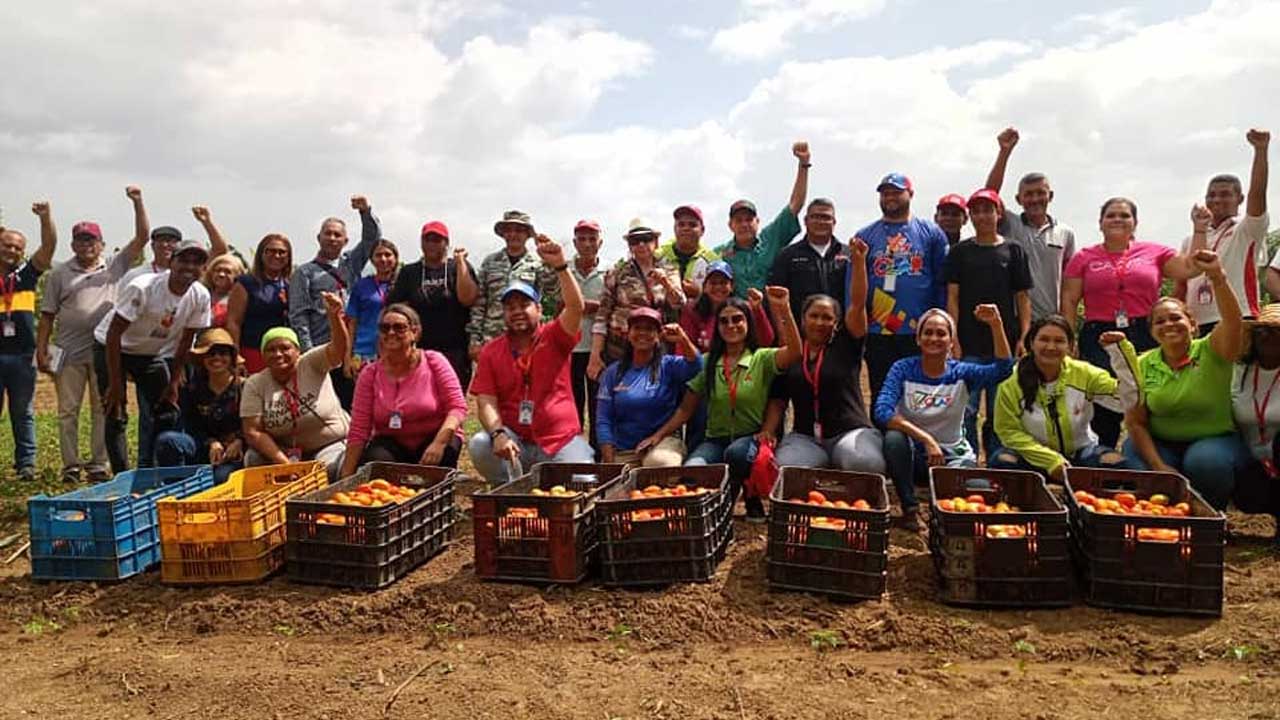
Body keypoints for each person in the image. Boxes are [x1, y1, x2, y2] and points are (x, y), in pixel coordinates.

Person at [639, 286, 802, 521]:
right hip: (715, 439)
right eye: (724, 321)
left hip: (750, 438)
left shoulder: (762, 358)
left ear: (748, 324)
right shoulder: (707, 362)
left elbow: (795, 352)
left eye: (738, 319)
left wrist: (784, 308)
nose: (731, 325)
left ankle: (738, 502)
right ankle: (719, 506)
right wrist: (659, 435)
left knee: (737, 454)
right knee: (693, 469)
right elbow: (686, 408)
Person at [1061, 200, 1211, 448]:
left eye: (1124, 215)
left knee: (1147, 395)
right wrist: (1069, 339)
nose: (1117, 219)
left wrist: (1200, 229)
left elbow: (1190, 268)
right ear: (1100, 223)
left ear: (1135, 223)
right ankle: (1105, 456)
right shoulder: (1083, 257)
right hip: (1100, 334)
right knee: (1103, 400)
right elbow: (1069, 299)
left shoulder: (1155, 252)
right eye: (1110, 215)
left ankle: (1148, 455)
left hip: (1145, 332)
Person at [37, 187, 149, 484]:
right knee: (67, 411)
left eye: (91, 239)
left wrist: (137, 202)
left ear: (101, 244)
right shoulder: (59, 274)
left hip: (102, 351)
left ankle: (99, 464)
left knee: (103, 409)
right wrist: (41, 349)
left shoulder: (114, 267)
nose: (86, 244)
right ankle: (71, 466)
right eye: (80, 239)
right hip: (67, 351)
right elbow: (47, 315)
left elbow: (142, 239)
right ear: (73, 243)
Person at [1124, 250, 1249, 511]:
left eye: (1176, 318)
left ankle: (1210, 515)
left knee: (1204, 462)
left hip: (1214, 441)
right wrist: (1159, 466)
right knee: (1134, 458)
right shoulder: (1141, 363)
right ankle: (1164, 516)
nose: (1169, 324)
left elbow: (1233, 323)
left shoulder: (1213, 350)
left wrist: (1217, 277)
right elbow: (1135, 423)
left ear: (1192, 324)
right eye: (1160, 321)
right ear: (1152, 332)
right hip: (1161, 443)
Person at [873, 307, 1013, 530]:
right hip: (914, 458)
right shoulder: (903, 369)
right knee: (894, 438)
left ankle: (944, 518)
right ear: (918, 339)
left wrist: (996, 325)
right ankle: (910, 509)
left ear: (951, 341)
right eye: (927, 333)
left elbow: (1003, 370)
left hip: (951, 456)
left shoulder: (961, 373)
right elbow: (882, 411)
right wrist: (926, 440)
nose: (934, 338)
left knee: (977, 490)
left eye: (941, 333)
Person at [468, 235, 593, 484]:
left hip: (558, 440)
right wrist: (498, 433)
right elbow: (486, 401)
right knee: (481, 444)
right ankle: (514, 489)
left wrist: (560, 266)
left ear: (538, 308)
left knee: (583, 481)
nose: (517, 311)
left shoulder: (555, 335)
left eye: (524, 304)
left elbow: (576, 307)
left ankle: (544, 484)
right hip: (516, 442)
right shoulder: (492, 351)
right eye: (510, 307)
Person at [762, 239, 885, 473]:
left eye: (827, 317)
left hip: (849, 434)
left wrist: (858, 263)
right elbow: (778, 399)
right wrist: (768, 430)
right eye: (814, 316)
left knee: (866, 464)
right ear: (803, 320)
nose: (820, 322)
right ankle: (822, 463)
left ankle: (840, 462)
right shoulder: (793, 351)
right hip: (806, 438)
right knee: (786, 469)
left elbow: (857, 304)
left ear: (836, 323)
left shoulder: (847, 345)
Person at [93, 237, 212, 472]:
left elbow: (186, 340)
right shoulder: (144, 287)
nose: (189, 267)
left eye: (196, 262)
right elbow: (114, 333)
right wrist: (116, 384)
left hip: (148, 353)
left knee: (167, 409)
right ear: (172, 261)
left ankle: (155, 469)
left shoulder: (200, 296)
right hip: (112, 346)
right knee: (115, 410)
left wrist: (175, 380)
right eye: (183, 260)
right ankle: (122, 475)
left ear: (203, 268)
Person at [990, 315, 1142, 480]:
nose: (1051, 346)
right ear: (1031, 343)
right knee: (1002, 462)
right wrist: (1051, 461)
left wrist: (1120, 352)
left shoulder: (1084, 373)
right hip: (1031, 457)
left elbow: (1129, 400)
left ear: (1071, 346)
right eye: (1044, 339)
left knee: (1116, 464)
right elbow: (1008, 431)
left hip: (1080, 455)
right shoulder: (1012, 383)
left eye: (1059, 341)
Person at [945, 188, 1032, 457]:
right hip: (968, 346)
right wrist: (954, 339)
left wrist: (1024, 336)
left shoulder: (1014, 250)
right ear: (970, 216)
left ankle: (997, 461)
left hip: (1003, 346)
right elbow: (953, 298)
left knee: (999, 412)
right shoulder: (960, 252)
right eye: (977, 211)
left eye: (988, 210)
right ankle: (966, 459)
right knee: (966, 410)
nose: (982, 216)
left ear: (999, 214)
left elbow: (1023, 298)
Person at [340, 304, 467, 475]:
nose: (391, 333)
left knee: (443, 456)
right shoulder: (369, 374)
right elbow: (359, 430)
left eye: (399, 328)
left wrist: (439, 443)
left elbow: (457, 408)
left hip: (435, 438)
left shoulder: (434, 361)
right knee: (376, 462)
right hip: (392, 442)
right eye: (385, 328)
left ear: (415, 332)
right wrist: (345, 476)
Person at [858, 172, 950, 400]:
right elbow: (855, 286)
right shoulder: (865, 236)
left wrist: (942, 322)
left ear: (910, 194)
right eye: (885, 193)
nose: (890, 197)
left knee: (921, 392)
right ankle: (885, 435)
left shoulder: (932, 234)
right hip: (879, 329)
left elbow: (942, 283)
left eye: (896, 192)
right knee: (883, 392)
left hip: (919, 331)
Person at [241, 293, 350, 481]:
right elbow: (253, 431)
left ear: (297, 351)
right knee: (253, 458)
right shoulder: (255, 383)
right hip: (286, 452)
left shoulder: (310, 363)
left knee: (326, 472)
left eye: (285, 348)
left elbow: (338, 350)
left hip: (328, 444)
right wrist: (284, 464)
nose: (278, 354)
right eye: (270, 349)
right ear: (263, 355)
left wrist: (334, 316)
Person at [288, 195, 381, 409]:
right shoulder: (304, 273)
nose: (332, 238)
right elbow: (298, 316)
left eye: (337, 235)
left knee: (356, 404)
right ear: (318, 238)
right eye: (327, 234)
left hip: (353, 349)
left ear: (345, 241)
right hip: (323, 347)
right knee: (325, 405)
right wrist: (309, 353)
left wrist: (365, 212)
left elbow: (372, 240)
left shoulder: (352, 264)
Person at [1182, 129, 1269, 332]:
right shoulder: (1193, 238)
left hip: (1239, 314)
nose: (1216, 200)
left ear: (1240, 199)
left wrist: (1261, 151)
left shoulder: (1246, 230)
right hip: (1198, 322)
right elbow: (1182, 282)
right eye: (1211, 195)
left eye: (1225, 194)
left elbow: (1258, 194)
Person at [985, 127, 1076, 320]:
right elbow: (989, 196)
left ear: (1050, 196)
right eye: (1028, 194)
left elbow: (1068, 286)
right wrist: (1004, 152)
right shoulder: (1010, 224)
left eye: (1040, 193)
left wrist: (1067, 325)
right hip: (1014, 319)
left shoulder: (1065, 233)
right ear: (1019, 199)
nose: (1035, 199)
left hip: (1050, 321)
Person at [596, 308, 701, 467]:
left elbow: (697, 365)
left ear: (658, 336)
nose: (643, 333)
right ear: (628, 333)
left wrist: (683, 339)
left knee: (659, 463)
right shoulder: (612, 373)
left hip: (663, 443)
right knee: (614, 486)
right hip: (624, 449)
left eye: (650, 329)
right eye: (637, 328)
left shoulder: (669, 365)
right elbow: (603, 419)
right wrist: (609, 463)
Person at [0, 200, 58, 480]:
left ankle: (26, 465)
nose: (11, 250)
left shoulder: (25, 275)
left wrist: (45, 218)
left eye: (17, 247)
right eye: (6, 245)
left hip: (23, 356)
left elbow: (48, 249)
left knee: (23, 413)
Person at [587, 219, 685, 380]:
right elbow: (602, 315)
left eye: (646, 239)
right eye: (634, 241)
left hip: (656, 346)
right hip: (620, 348)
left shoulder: (669, 269)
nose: (640, 245)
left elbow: (679, 302)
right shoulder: (617, 273)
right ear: (629, 246)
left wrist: (665, 283)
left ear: (656, 242)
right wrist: (595, 355)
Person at [385, 221, 477, 389]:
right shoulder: (410, 272)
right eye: (427, 239)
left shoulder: (457, 268)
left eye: (437, 240)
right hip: (419, 350)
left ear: (446, 243)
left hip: (455, 351)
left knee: (453, 402)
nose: (432, 244)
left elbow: (468, 299)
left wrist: (461, 262)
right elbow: (393, 307)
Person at [715, 142, 810, 298]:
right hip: (738, 319)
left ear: (757, 221)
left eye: (749, 219)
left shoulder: (771, 238)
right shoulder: (719, 254)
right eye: (738, 220)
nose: (744, 224)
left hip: (770, 316)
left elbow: (795, 205)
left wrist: (803, 164)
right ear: (730, 225)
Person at [153, 328, 245, 484]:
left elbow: (255, 424)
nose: (216, 358)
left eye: (222, 353)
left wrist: (240, 441)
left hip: (236, 451)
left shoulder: (245, 387)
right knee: (167, 440)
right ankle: (176, 490)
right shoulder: (193, 389)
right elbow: (191, 424)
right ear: (202, 358)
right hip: (204, 447)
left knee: (220, 479)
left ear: (231, 358)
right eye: (210, 354)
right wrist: (211, 443)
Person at [468, 209, 561, 357]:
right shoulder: (490, 262)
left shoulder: (538, 263)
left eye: (519, 230)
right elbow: (480, 302)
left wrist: (550, 261)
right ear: (503, 234)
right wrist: (475, 340)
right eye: (509, 230)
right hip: (492, 337)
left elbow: (553, 291)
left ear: (527, 235)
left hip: (526, 337)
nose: (513, 235)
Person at [1230, 303, 1280, 544]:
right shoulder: (1239, 372)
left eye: (1276, 331)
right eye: (1261, 330)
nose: (1267, 336)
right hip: (1250, 462)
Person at [767, 197, 850, 327]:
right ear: (806, 221)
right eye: (815, 217)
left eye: (826, 217)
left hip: (841, 334)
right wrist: (784, 334)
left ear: (834, 222)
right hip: (800, 334)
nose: (820, 221)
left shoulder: (850, 255)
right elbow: (774, 300)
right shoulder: (787, 255)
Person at [226, 234, 292, 373]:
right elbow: (233, 322)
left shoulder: (291, 285)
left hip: (282, 355)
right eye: (271, 251)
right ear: (261, 254)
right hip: (251, 351)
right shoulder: (246, 283)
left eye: (281, 252)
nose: (277, 255)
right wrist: (236, 356)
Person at [567, 220, 606, 452]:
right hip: (570, 348)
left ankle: (598, 453)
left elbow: (610, 306)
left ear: (600, 242)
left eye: (592, 239)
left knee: (597, 403)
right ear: (575, 243)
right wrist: (579, 306)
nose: (587, 244)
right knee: (572, 404)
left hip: (596, 349)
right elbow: (560, 302)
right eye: (582, 239)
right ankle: (574, 451)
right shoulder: (564, 271)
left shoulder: (610, 271)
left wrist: (585, 305)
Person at [120, 205, 229, 287]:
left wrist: (207, 222)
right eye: (161, 241)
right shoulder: (136, 275)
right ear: (152, 246)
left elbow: (220, 250)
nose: (165, 245)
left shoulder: (191, 270)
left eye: (171, 241)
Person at [679, 260, 774, 353]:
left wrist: (758, 310)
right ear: (704, 287)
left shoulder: (745, 308)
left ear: (732, 286)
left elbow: (766, 341)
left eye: (723, 282)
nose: (718, 287)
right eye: (713, 283)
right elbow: (683, 349)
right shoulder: (693, 311)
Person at [345, 239, 399, 372]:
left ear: (396, 258)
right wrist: (347, 357)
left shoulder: (403, 284)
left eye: (388, 254)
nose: (383, 259)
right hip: (364, 352)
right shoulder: (362, 286)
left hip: (396, 351)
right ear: (372, 259)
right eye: (378, 255)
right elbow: (352, 324)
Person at [657, 205, 718, 301]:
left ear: (702, 230)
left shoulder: (712, 261)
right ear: (674, 228)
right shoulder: (657, 256)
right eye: (681, 224)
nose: (686, 228)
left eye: (692, 225)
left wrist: (699, 293)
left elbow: (722, 297)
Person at [202, 253, 245, 329]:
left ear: (237, 276)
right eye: (218, 270)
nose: (221, 274)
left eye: (228, 272)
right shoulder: (202, 295)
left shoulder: (240, 300)